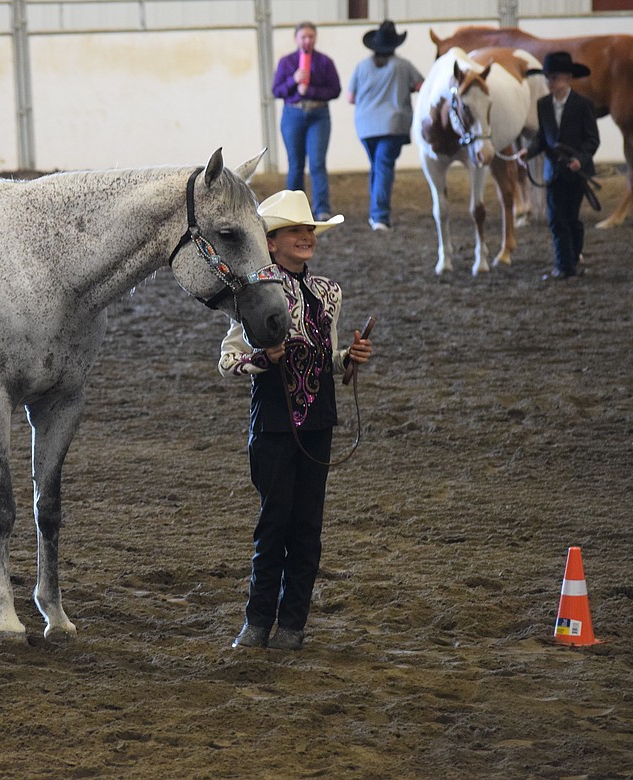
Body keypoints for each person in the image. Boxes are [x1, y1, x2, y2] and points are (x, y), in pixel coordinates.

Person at [220, 190, 373, 651]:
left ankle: (292, 625)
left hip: (318, 422)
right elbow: (228, 361)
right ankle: (258, 619)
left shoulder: (328, 292)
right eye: (294, 230)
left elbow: (323, 357)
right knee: (274, 523)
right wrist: (262, 361)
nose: (306, 236)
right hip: (271, 423)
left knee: (307, 527)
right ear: (271, 242)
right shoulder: (256, 293)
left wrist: (349, 356)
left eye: (309, 229)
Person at [519, 51, 600, 281]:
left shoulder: (583, 105)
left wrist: (580, 160)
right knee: (556, 220)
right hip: (553, 171)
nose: (549, 82)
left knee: (571, 219)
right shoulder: (543, 104)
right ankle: (564, 266)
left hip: (576, 171)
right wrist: (529, 151)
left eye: (553, 78)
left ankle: (572, 260)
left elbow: (592, 139)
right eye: (548, 78)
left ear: (566, 78)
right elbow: (543, 138)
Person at [347, 20, 423, 232]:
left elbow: (350, 98)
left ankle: (375, 214)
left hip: (365, 125)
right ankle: (379, 216)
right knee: (383, 167)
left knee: (377, 166)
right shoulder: (403, 65)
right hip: (393, 124)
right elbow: (422, 86)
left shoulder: (361, 66)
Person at [271, 22, 341, 221]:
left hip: (318, 114)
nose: (307, 40)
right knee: (295, 164)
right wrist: (293, 80)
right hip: (293, 114)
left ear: (315, 38)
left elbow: (334, 90)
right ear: (296, 39)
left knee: (318, 163)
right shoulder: (286, 63)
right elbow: (276, 91)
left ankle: (322, 208)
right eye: (303, 37)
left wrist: (310, 91)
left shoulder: (325, 62)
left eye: (311, 36)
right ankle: (294, 209)